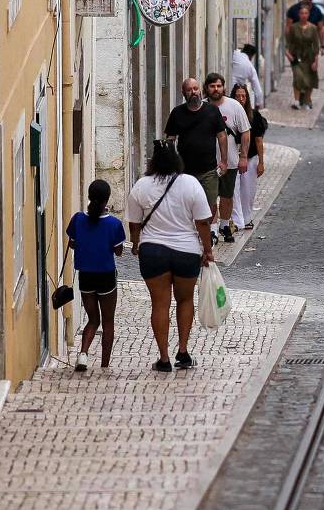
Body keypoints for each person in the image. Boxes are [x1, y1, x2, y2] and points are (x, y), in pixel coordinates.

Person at [127, 140, 215, 372]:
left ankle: (164, 358)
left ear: (152, 161)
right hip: (186, 251)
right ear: (177, 159)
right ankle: (183, 353)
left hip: (153, 251)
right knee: (185, 300)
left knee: (160, 304)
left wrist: (136, 244)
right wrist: (208, 250)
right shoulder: (191, 184)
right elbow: (203, 222)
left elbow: (134, 224)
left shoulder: (141, 186)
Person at [65, 180, 125, 372]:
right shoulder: (114, 224)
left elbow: (73, 244)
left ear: (89, 196)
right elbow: (118, 251)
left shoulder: (77, 219)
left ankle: (83, 354)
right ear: (107, 199)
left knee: (92, 319)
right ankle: (104, 365)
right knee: (108, 321)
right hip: (106, 276)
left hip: (86, 276)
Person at [163, 77, 227, 216]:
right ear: (183, 92)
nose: (193, 92)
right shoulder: (177, 113)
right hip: (185, 170)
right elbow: (170, 139)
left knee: (210, 203)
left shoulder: (212, 111)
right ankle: (191, 230)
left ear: (200, 90)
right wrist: (169, 162)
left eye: (195, 89)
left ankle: (211, 231)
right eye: (189, 90)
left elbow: (222, 136)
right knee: (186, 204)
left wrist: (224, 161)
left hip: (209, 169)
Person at [211, 70, 249, 242]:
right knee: (210, 197)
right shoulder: (202, 106)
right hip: (208, 162)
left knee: (227, 196)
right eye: (212, 86)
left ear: (224, 87)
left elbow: (245, 133)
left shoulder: (234, 106)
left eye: (219, 86)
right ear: (207, 88)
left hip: (231, 161)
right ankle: (212, 228)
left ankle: (224, 225)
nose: (216, 89)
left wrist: (243, 157)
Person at [229, 80, 267, 232]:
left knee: (248, 190)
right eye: (238, 96)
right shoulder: (229, 114)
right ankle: (238, 220)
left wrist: (261, 162)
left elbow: (258, 140)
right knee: (234, 190)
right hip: (233, 157)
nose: (241, 99)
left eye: (243, 96)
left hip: (250, 157)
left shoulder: (254, 116)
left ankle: (247, 217)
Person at [284, 0, 324, 108]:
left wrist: (322, 47)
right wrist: (287, 49)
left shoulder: (317, 13)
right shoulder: (293, 11)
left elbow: (320, 30)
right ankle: (297, 100)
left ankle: (307, 99)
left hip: (309, 53)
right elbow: (288, 29)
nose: (308, 1)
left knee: (309, 78)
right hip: (296, 52)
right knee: (298, 76)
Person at [229, 41, 264, 110]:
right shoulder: (250, 67)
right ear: (251, 55)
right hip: (236, 93)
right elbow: (257, 89)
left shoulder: (235, 53)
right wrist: (257, 104)